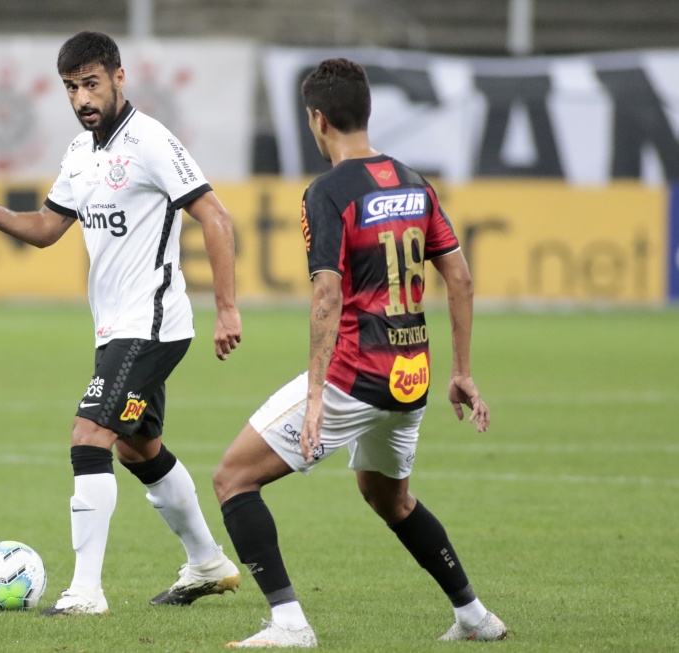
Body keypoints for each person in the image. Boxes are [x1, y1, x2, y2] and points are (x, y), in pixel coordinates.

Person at [212, 58, 507, 648]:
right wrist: (463, 373)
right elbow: (462, 280)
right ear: (365, 112)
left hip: (353, 376)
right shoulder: (413, 181)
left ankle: (289, 624)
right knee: (387, 496)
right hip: (412, 376)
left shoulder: (326, 192)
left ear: (317, 120)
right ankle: (475, 616)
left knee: (233, 478)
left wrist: (318, 396)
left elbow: (327, 294)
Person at [0, 31, 243, 616]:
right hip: (116, 328)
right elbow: (45, 228)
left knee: (90, 437)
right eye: (70, 88)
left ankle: (86, 591)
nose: (81, 98)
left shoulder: (152, 141)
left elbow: (215, 216)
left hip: (151, 324)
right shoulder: (80, 154)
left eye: (90, 83)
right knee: (139, 447)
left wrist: (228, 308)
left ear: (117, 78)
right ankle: (208, 562)